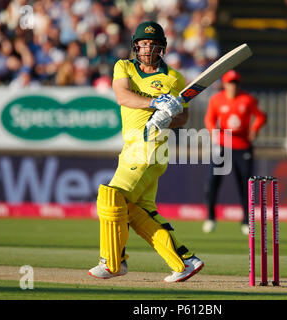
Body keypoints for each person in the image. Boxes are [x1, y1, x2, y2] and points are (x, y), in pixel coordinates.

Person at [88, 21, 204, 282]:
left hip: (151, 148)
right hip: (131, 148)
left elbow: (182, 118)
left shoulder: (173, 78)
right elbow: (122, 96)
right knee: (137, 210)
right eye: (142, 43)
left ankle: (113, 261)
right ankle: (184, 261)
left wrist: (167, 118)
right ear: (135, 46)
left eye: (152, 44)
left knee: (110, 196)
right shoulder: (124, 67)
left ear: (161, 47)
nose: (147, 48)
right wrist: (154, 103)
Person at [203, 70, 267, 235]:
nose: (233, 86)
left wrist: (254, 128)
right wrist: (213, 131)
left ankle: (246, 220)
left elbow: (260, 116)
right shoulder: (216, 99)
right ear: (224, 84)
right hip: (223, 146)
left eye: (236, 83)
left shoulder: (247, 99)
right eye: (230, 83)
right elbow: (209, 118)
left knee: (245, 185)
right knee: (212, 183)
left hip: (243, 146)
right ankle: (210, 217)